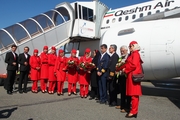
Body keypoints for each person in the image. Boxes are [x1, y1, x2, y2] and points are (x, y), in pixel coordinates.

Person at [120, 41, 143, 118]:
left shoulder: (135, 54)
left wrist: (125, 69)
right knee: (133, 95)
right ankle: (133, 110)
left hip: (133, 77)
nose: (129, 48)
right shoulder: (133, 54)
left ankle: (134, 111)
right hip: (131, 76)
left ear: (134, 46)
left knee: (134, 95)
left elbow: (133, 65)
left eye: (130, 46)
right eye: (129, 46)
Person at [116, 45, 131, 113]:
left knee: (127, 93)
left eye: (123, 51)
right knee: (122, 91)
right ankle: (122, 105)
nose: (122, 52)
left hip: (126, 77)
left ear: (126, 50)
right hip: (121, 76)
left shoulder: (129, 56)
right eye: (121, 51)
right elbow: (119, 65)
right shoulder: (120, 57)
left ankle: (127, 107)